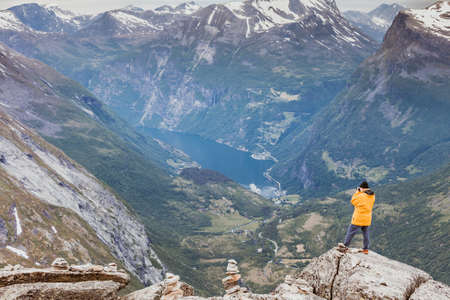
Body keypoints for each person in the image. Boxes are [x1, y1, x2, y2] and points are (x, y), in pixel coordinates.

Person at [338, 181, 375, 254]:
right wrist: (361, 191)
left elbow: (353, 201)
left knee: (350, 232)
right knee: (366, 234)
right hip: (367, 219)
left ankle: (345, 246)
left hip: (359, 218)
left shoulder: (361, 196)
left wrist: (357, 192)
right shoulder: (372, 196)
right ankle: (366, 249)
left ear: (362, 188)